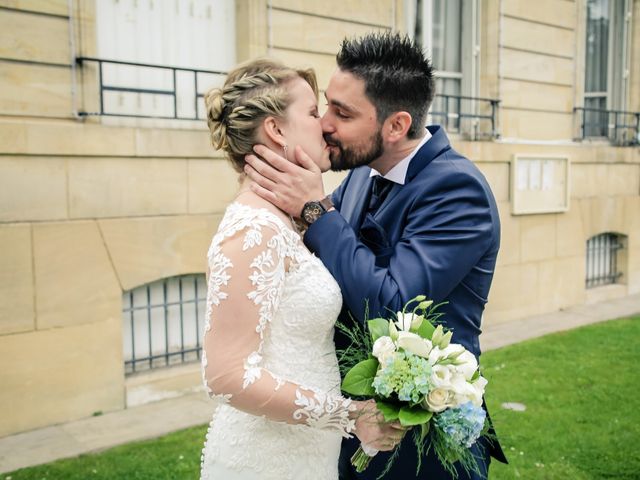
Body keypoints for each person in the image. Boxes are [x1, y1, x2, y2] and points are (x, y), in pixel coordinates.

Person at [244, 33, 509, 479]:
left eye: (342, 113)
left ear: (396, 126)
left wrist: (315, 209)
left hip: (425, 448)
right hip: (356, 431)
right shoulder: (362, 175)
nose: (324, 123)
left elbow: (394, 307)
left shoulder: (458, 191)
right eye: (326, 105)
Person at [199, 58, 403, 480]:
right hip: (264, 459)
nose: (326, 125)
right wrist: (349, 415)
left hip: (307, 453)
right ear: (275, 129)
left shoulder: (289, 220)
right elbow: (225, 375)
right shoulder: (253, 229)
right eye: (312, 112)